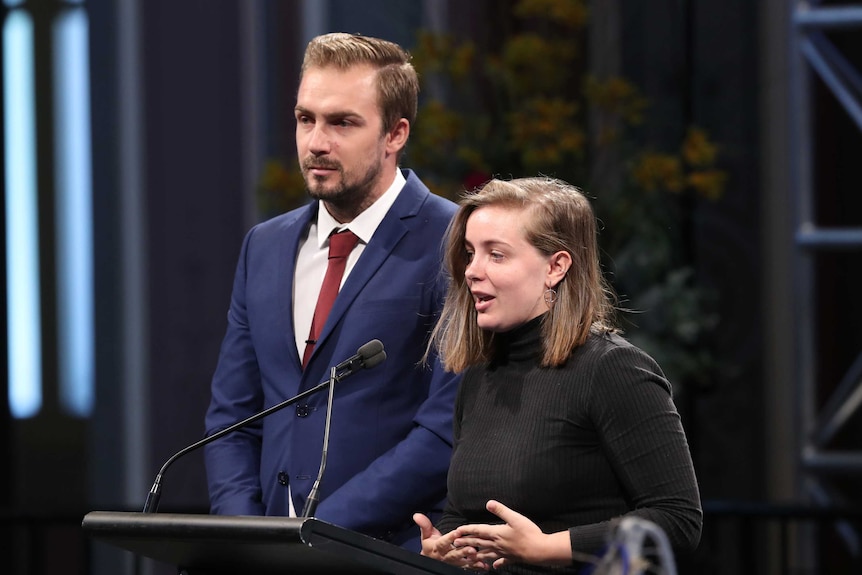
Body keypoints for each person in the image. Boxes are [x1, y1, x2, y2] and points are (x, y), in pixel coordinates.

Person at [204, 32, 460, 549]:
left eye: (342, 122)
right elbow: (233, 417)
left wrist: (314, 532)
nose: (317, 142)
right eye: (306, 119)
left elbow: (444, 430)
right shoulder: (265, 246)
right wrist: (248, 537)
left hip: (389, 551)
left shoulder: (453, 241)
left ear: (395, 134)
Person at [412, 177, 702, 573]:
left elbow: (678, 521)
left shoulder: (613, 370)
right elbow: (463, 513)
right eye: (469, 253)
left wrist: (548, 548)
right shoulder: (480, 376)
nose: (471, 271)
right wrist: (448, 550)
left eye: (496, 255)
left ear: (556, 266)